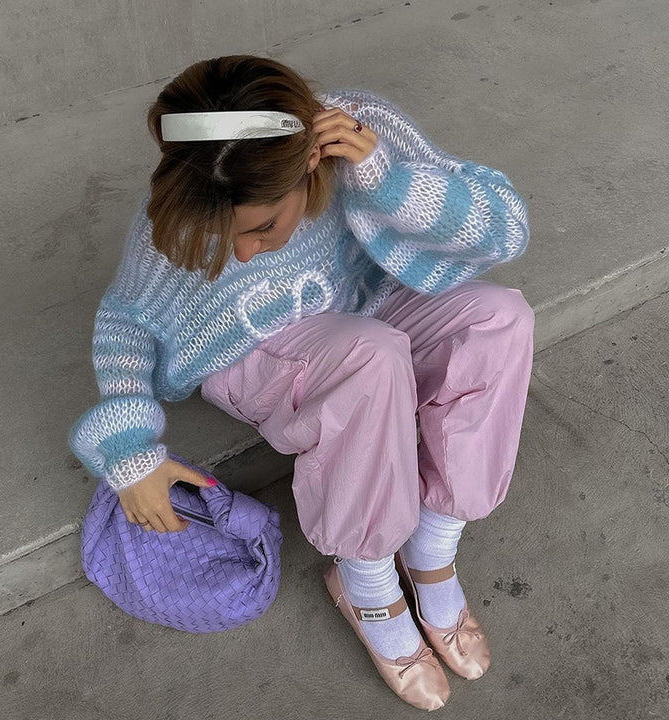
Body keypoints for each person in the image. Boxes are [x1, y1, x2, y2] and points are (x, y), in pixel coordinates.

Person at [68, 54, 534, 710]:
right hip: (258, 353)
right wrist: (128, 451)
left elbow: (504, 227)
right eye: (224, 236)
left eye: (261, 227)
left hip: (363, 315)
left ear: (310, 167)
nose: (244, 252)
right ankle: (366, 582)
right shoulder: (179, 214)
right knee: (370, 358)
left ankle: (433, 549)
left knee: (499, 317)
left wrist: (388, 183)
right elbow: (124, 321)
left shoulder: (355, 138)